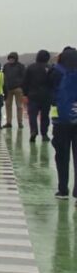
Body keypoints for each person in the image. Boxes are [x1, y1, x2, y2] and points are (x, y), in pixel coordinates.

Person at [50, 47, 77, 200]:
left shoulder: (56, 72)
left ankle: (62, 189)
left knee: (62, 155)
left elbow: (50, 93)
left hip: (60, 120)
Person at [23, 50, 54, 142]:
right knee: (45, 115)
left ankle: (33, 130)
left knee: (32, 115)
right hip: (46, 95)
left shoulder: (30, 68)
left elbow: (25, 82)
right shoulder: (50, 68)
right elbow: (52, 82)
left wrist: (25, 94)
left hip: (33, 95)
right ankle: (44, 134)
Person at [2, 52, 25, 130]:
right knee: (8, 106)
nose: (11, 60)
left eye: (12, 58)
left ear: (16, 59)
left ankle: (20, 122)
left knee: (19, 106)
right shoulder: (6, 66)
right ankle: (8, 122)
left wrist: (21, 86)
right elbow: (3, 76)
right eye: (10, 58)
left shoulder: (21, 66)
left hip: (18, 88)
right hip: (8, 89)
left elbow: (24, 77)